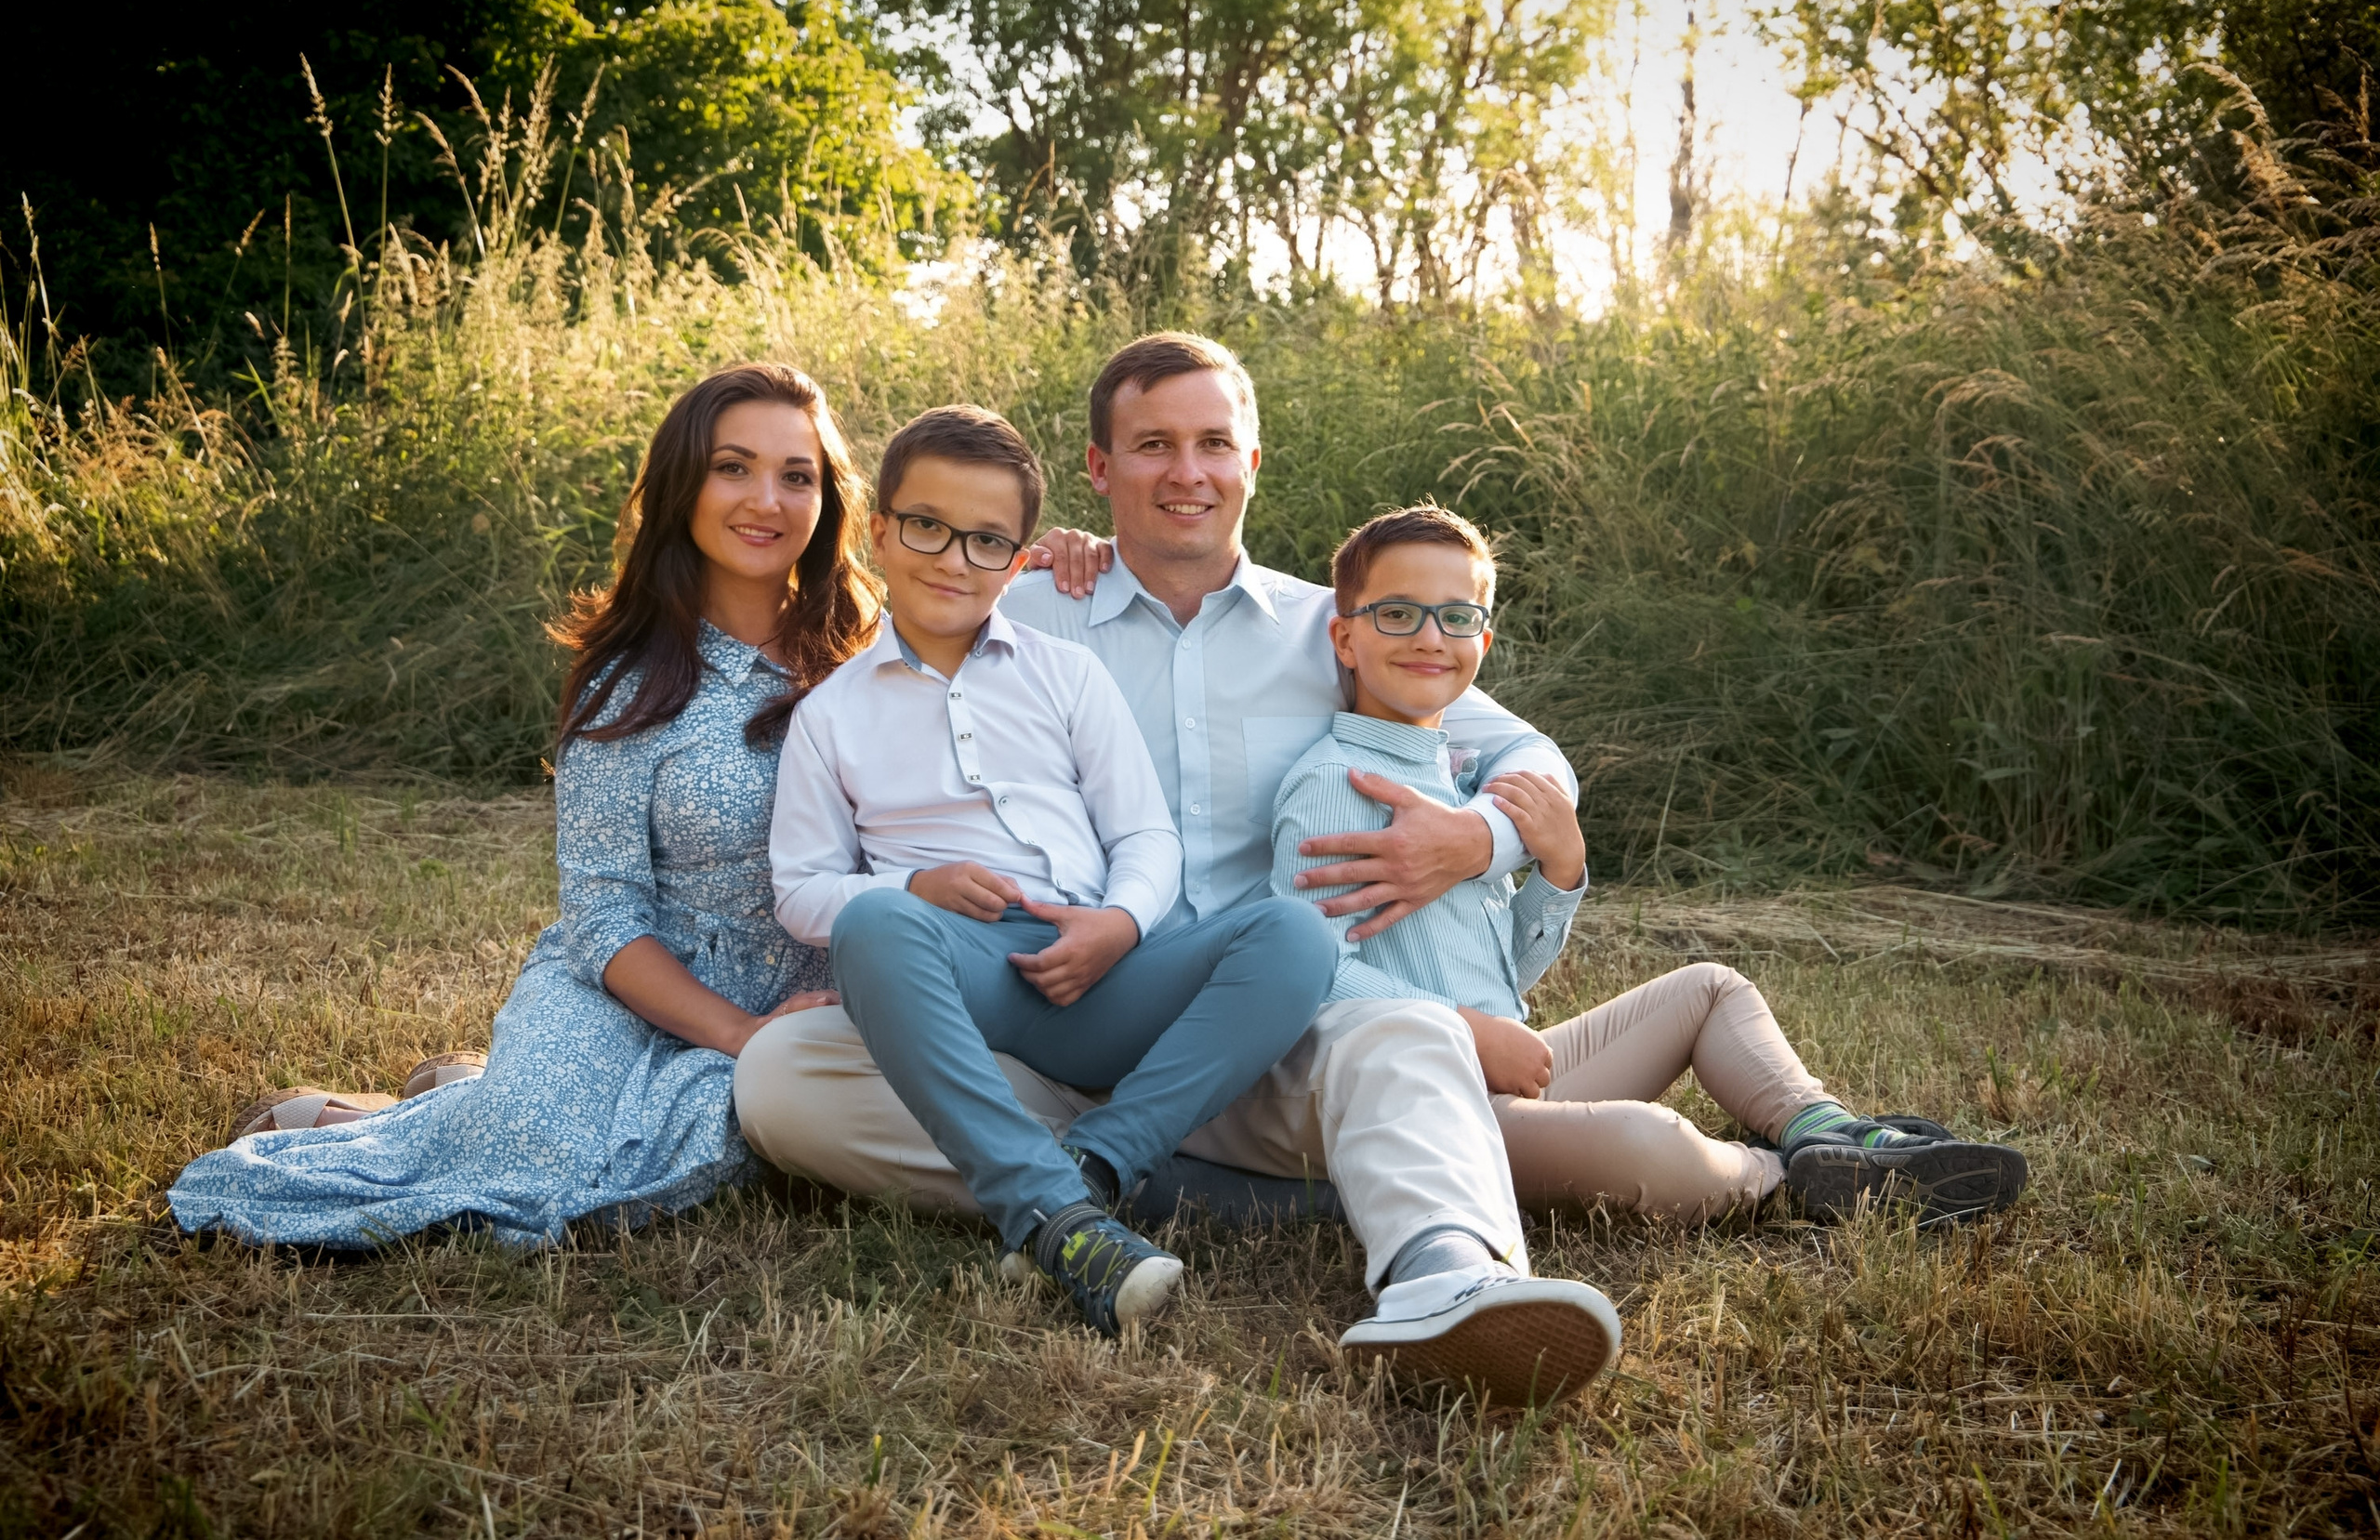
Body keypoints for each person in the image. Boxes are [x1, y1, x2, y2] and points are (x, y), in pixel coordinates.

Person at [735, 335, 1623, 1407]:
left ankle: (1449, 1277)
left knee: (1400, 1027)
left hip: (1265, 1025)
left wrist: (1478, 839)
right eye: (1151, 445)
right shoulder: (1022, 606)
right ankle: (1166, 1193)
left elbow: (1530, 755)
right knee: (783, 1082)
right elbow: (931, 617)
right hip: (1043, 1033)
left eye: (1212, 444)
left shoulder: (1330, 629)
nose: (1186, 473)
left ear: (1253, 460)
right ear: (1102, 470)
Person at [168, 363, 875, 1247]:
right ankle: (350, 1116)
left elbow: (991, 596)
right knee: (533, 1164)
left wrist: (1060, 559)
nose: (765, 499)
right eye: (733, 467)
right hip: (638, 986)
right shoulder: (631, 681)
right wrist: (741, 1035)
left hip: (805, 995)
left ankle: (471, 1089)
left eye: (796, 475)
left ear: (828, 499)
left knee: (689, 1152)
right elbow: (604, 911)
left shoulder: (873, 659)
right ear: (683, 486)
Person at [1272, 505, 2031, 1225]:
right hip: (1427, 1105)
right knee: (1644, 1143)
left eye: (1456, 616)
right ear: (1345, 638)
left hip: (1508, 1067)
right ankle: (1791, 1176)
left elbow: (1501, 973)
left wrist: (1558, 875)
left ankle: (1827, 1131)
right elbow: (1313, 974)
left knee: (1709, 989)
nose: (1429, 637)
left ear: (1485, 641)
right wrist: (1464, 1032)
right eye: (1397, 613)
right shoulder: (1333, 784)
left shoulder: (1466, 784)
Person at [768, 405, 1340, 1336]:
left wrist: (1116, 925)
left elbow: (1147, 839)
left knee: (1293, 935)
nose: (955, 560)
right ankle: (1062, 1218)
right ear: (878, 532)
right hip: (965, 976)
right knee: (871, 926)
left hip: (1104, 974)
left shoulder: (1063, 673)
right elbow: (801, 888)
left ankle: (1094, 1175)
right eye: (927, 528)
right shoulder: (830, 715)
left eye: (989, 542)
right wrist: (912, 887)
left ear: (1023, 556)